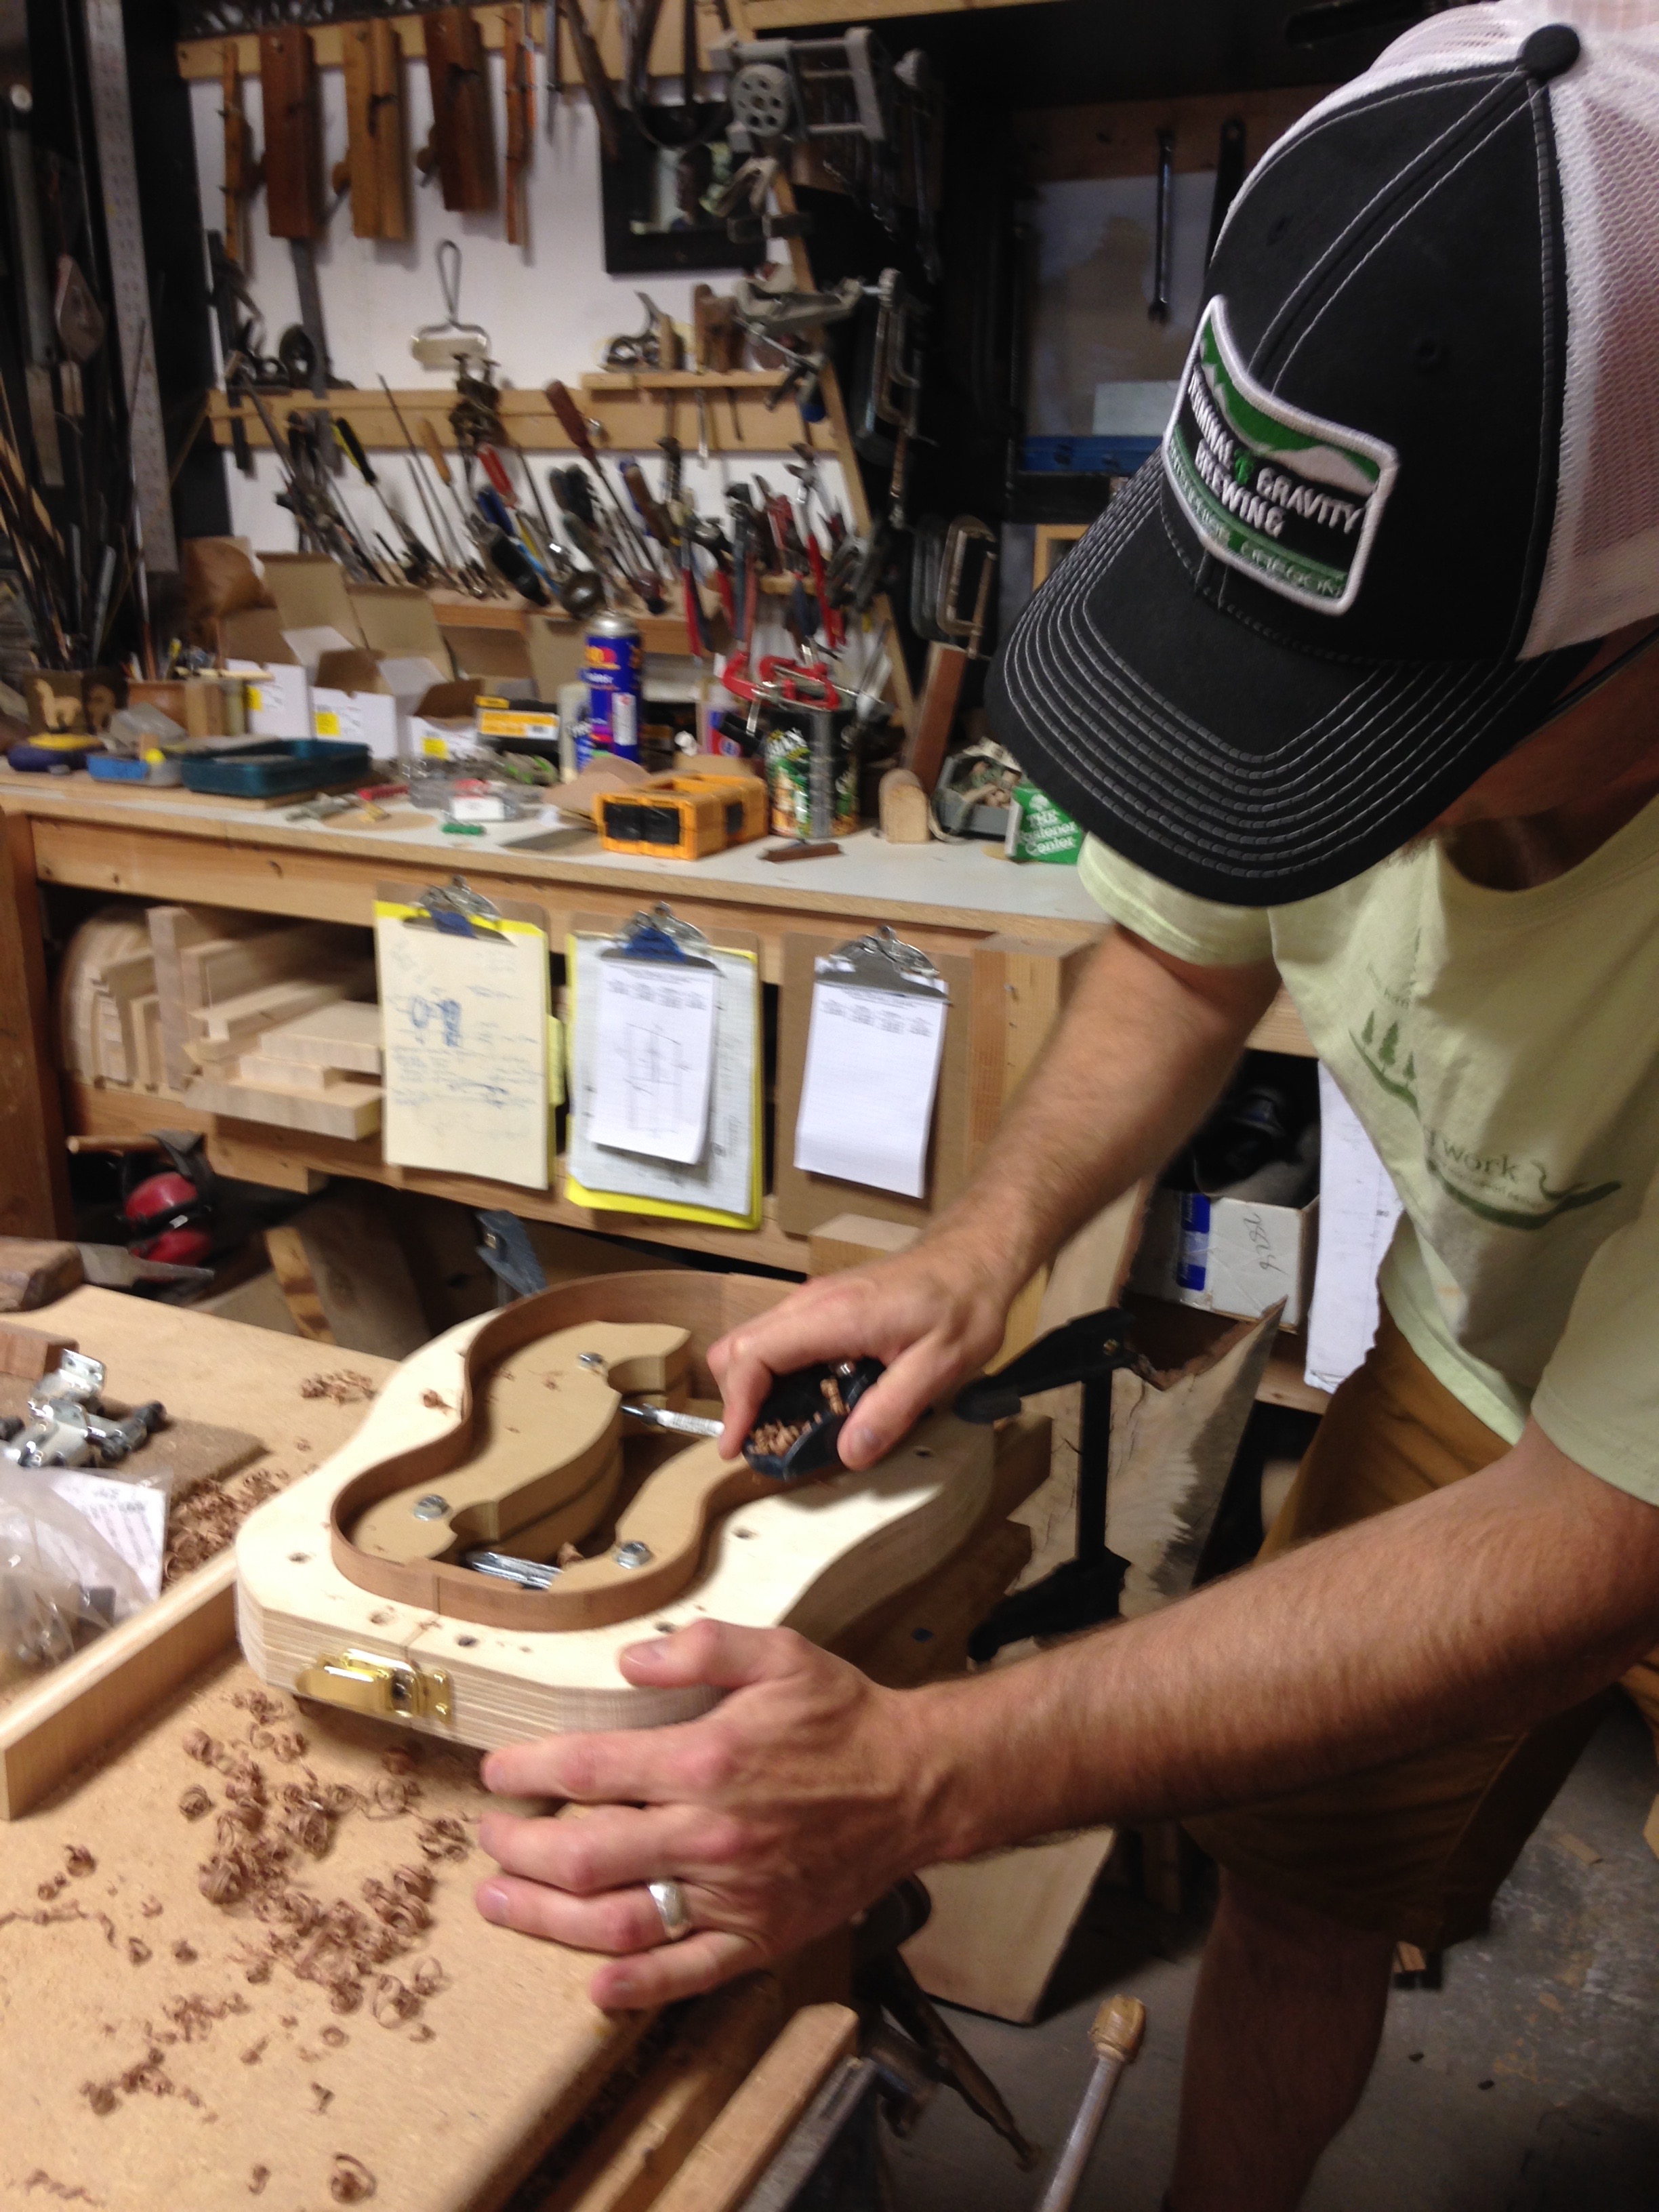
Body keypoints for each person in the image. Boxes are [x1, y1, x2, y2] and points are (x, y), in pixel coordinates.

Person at [472, 10, 1659, 2207]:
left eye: (1391, 730)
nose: (1331, 802)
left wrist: (920, 1777)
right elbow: (1197, 944)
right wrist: (973, 1246)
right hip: (1509, 1354)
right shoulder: (1364, 565)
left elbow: (1607, 1537)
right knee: (1304, 1853)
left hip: (1619, 1459)